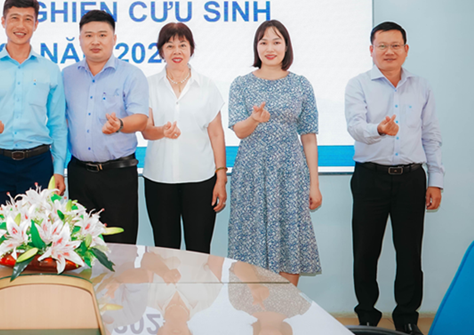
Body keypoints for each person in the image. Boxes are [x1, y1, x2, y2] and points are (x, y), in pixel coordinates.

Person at [345, 21, 443, 335]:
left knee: (410, 252)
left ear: (406, 49)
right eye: (382, 45)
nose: (389, 51)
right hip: (369, 178)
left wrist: (436, 180)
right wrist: (379, 129)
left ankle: (407, 319)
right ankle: (367, 318)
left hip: (411, 180)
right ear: (371, 50)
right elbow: (355, 126)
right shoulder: (358, 84)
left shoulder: (422, 86)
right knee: (365, 251)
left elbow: (431, 135)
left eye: (395, 45)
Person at [227, 19, 322, 286]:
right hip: (252, 173)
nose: (270, 48)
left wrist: (314, 184)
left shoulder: (301, 84)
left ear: (286, 46)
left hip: (289, 173)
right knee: (250, 239)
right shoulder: (241, 84)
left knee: (290, 239)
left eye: (276, 42)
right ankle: (256, 308)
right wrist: (254, 119)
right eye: (264, 42)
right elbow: (239, 131)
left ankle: (285, 307)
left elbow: (309, 137)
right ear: (256, 47)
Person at [0, 0, 66, 207]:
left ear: (36, 24)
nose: (21, 25)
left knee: (40, 228)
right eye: (14, 18)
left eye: (28, 19)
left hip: (38, 164)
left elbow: (58, 123)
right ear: (3, 21)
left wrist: (59, 169)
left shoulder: (50, 69)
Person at [62, 10, 148, 244]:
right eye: (89, 35)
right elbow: (59, 122)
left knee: (121, 247)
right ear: (80, 40)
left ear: (114, 38)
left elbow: (141, 119)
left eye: (102, 35)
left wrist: (120, 124)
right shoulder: (67, 76)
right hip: (79, 175)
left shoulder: (131, 74)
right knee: (80, 247)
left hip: (118, 175)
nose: (95, 41)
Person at [141, 22, 227, 253]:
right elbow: (146, 130)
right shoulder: (148, 85)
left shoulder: (207, 86)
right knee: (165, 252)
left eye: (182, 45)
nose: (176, 51)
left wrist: (221, 177)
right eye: (170, 46)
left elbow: (216, 134)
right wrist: (162, 131)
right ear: (161, 51)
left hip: (200, 180)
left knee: (199, 251)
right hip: (159, 180)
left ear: (191, 49)